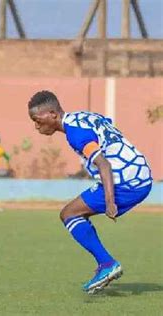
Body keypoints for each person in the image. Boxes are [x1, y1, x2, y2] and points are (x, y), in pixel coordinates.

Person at [28, 90, 152, 294]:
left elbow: (103, 164)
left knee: (69, 214)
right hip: (140, 173)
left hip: (126, 182)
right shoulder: (81, 117)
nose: (36, 126)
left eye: (37, 120)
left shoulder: (75, 133)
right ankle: (105, 263)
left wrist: (110, 201)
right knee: (73, 211)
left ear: (52, 114)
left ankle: (107, 264)